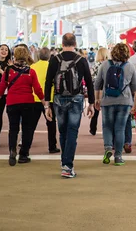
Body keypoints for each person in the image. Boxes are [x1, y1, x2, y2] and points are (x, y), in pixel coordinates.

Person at [44, 33, 95, 178]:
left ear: (62, 43)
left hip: (59, 99)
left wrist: (47, 105)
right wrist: (91, 103)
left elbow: (48, 82)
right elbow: (89, 83)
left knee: (63, 131)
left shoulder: (55, 59)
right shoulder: (81, 60)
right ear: (75, 43)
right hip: (76, 99)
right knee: (72, 132)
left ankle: (64, 162)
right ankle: (67, 166)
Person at [0, 46, 49, 166]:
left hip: (12, 103)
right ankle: (24, 155)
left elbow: (1, 88)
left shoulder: (8, 70)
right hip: (28, 103)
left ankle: (12, 151)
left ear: (15, 55)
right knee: (27, 130)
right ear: (27, 56)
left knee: (13, 129)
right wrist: (45, 104)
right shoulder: (31, 71)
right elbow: (38, 90)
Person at [94, 42, 136, 166]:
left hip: (107, 101)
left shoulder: (104, 65)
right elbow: (135, 86)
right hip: (124, 102)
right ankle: (118, 156)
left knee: (107, 126)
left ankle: (108, 148)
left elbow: (97, 84)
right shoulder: (130, 66)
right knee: (120, 128)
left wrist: (97, 99)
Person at [31, 47, 59, 154]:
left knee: (31, 125)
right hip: (49, 99)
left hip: (34, 98)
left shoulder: (32, 66)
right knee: (51, 124)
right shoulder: (52, 66)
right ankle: (52, 146)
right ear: (49, 56)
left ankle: (26, 145)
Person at [89, 47, 109, 136]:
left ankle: (93, 128)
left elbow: (91, 77)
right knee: (106, 112)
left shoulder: (96, 65)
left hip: (96, 89)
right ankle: (106, 130)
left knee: (95, 109)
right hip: (106, 89)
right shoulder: (109, 64)